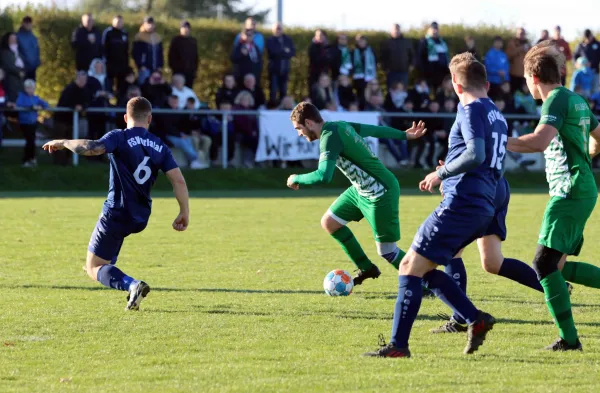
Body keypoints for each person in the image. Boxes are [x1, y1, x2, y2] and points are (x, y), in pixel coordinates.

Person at [364, 52, 504, 358]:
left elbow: (476, 154)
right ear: (488, 84)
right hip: (482, 205)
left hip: (462, 203)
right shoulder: (497, 113)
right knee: (424, 267)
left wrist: (440, 172)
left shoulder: (469, 109)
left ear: (455, 82)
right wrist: (451, 170)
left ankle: (399, 346)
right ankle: (474, 318)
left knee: (407, 266)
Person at [42, 97, 190, 310]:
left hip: (117, 211)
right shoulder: (159, 145)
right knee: (104, 261)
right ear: (149, 118)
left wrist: (64, 143)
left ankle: (132, 285)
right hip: (140, 215)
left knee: (93, 267)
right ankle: (121, 282)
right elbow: (178, 180)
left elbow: (92, 148)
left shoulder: (119, 136)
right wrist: (184, 212)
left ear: (124, 117)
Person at [507, 41, 600, 351]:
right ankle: (568, 338)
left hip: (569, 191)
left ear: (533, 77)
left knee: (543, 264)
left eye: (524, 78)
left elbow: (539, 141)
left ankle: (569, 340)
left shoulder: (555, 101)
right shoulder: (577, 99)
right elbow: (598, 139)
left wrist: (499, 141)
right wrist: (590, 152)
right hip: (581, 189)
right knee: (556, 266)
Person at [286, 101, 427, 285]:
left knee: (388, 251)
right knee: (330, 222)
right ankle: (366, 268)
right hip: (360, 190)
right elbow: (373, 130)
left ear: (310, 123)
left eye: (299, 128)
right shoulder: (338, 126)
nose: (299, 133)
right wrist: (403, 135)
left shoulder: (329, 137)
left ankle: (426, 284)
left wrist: (296, 178)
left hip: (380, 191)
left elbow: (323, 176)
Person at [15, 79, 48, 167]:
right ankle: (27, 160)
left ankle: (31, 159)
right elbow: (19, 104)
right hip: (25, 123)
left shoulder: (36, 98)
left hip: (33, 123)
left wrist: (40, 106)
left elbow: (46, 104)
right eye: (28, 88)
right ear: (25, 88)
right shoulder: (21, 96)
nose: (30, 89)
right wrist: (31, 107)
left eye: (32, 88)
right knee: (30, 141)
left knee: (32, 141)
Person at [266, 22, 295, 103]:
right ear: (273, 30)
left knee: (284, 91)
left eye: (280, 28)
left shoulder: (287, 39)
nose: (278, 30)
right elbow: (273, 52)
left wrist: (282, 52)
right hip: (274, 70)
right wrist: (284, 51)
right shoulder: (270, 40)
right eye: (276, 28)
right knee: (273, 91)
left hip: (285, 70)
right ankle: (273, 107)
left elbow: (292, 52)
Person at [102, 15, 130, 92]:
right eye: (117, 21)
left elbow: (126, 50)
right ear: (113, 22)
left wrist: (126, 64)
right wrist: (105, 61)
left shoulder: (124, 33)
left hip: (121, 64)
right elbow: (103, 48)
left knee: (121, 85)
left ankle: (119, 101)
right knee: (109, 84)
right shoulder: (108, 32)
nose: (119, 23)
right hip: (110, 64)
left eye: (120, 22)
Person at [168, 21, 199, 89]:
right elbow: (171, 56)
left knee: (188, 90)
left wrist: (194, 70)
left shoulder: (193, 41)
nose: (185, 29)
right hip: (178, 72)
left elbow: (195, 57)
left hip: (190, 72)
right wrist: (175, 69)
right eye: (183, 27)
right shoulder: (176, 40)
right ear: (180, 29)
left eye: (187, 27)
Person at [16, 16, 40, 81]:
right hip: (22, 69)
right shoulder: (16, 36)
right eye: (26, 22)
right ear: (22, 23)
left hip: (33, 70)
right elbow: (15, 52)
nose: (28, 24)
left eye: (29, 22)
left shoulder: (34, 38)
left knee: (31, 89)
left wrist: (37, 63)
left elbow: (37, 51)